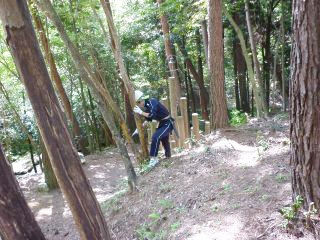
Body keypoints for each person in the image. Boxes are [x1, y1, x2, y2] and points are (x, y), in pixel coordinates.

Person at [133, 90, 174, 168]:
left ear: (141, 100)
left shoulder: (152, 101)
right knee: (164, 140)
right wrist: (138, 129)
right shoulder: (147, 106)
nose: (139, 105)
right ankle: (168, 157)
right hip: (162, 124)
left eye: (138, 103)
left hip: (168, 123)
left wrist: (141, 112)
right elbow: (149, 119)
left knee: (156, 137)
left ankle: (154, 158)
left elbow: (152, 115)